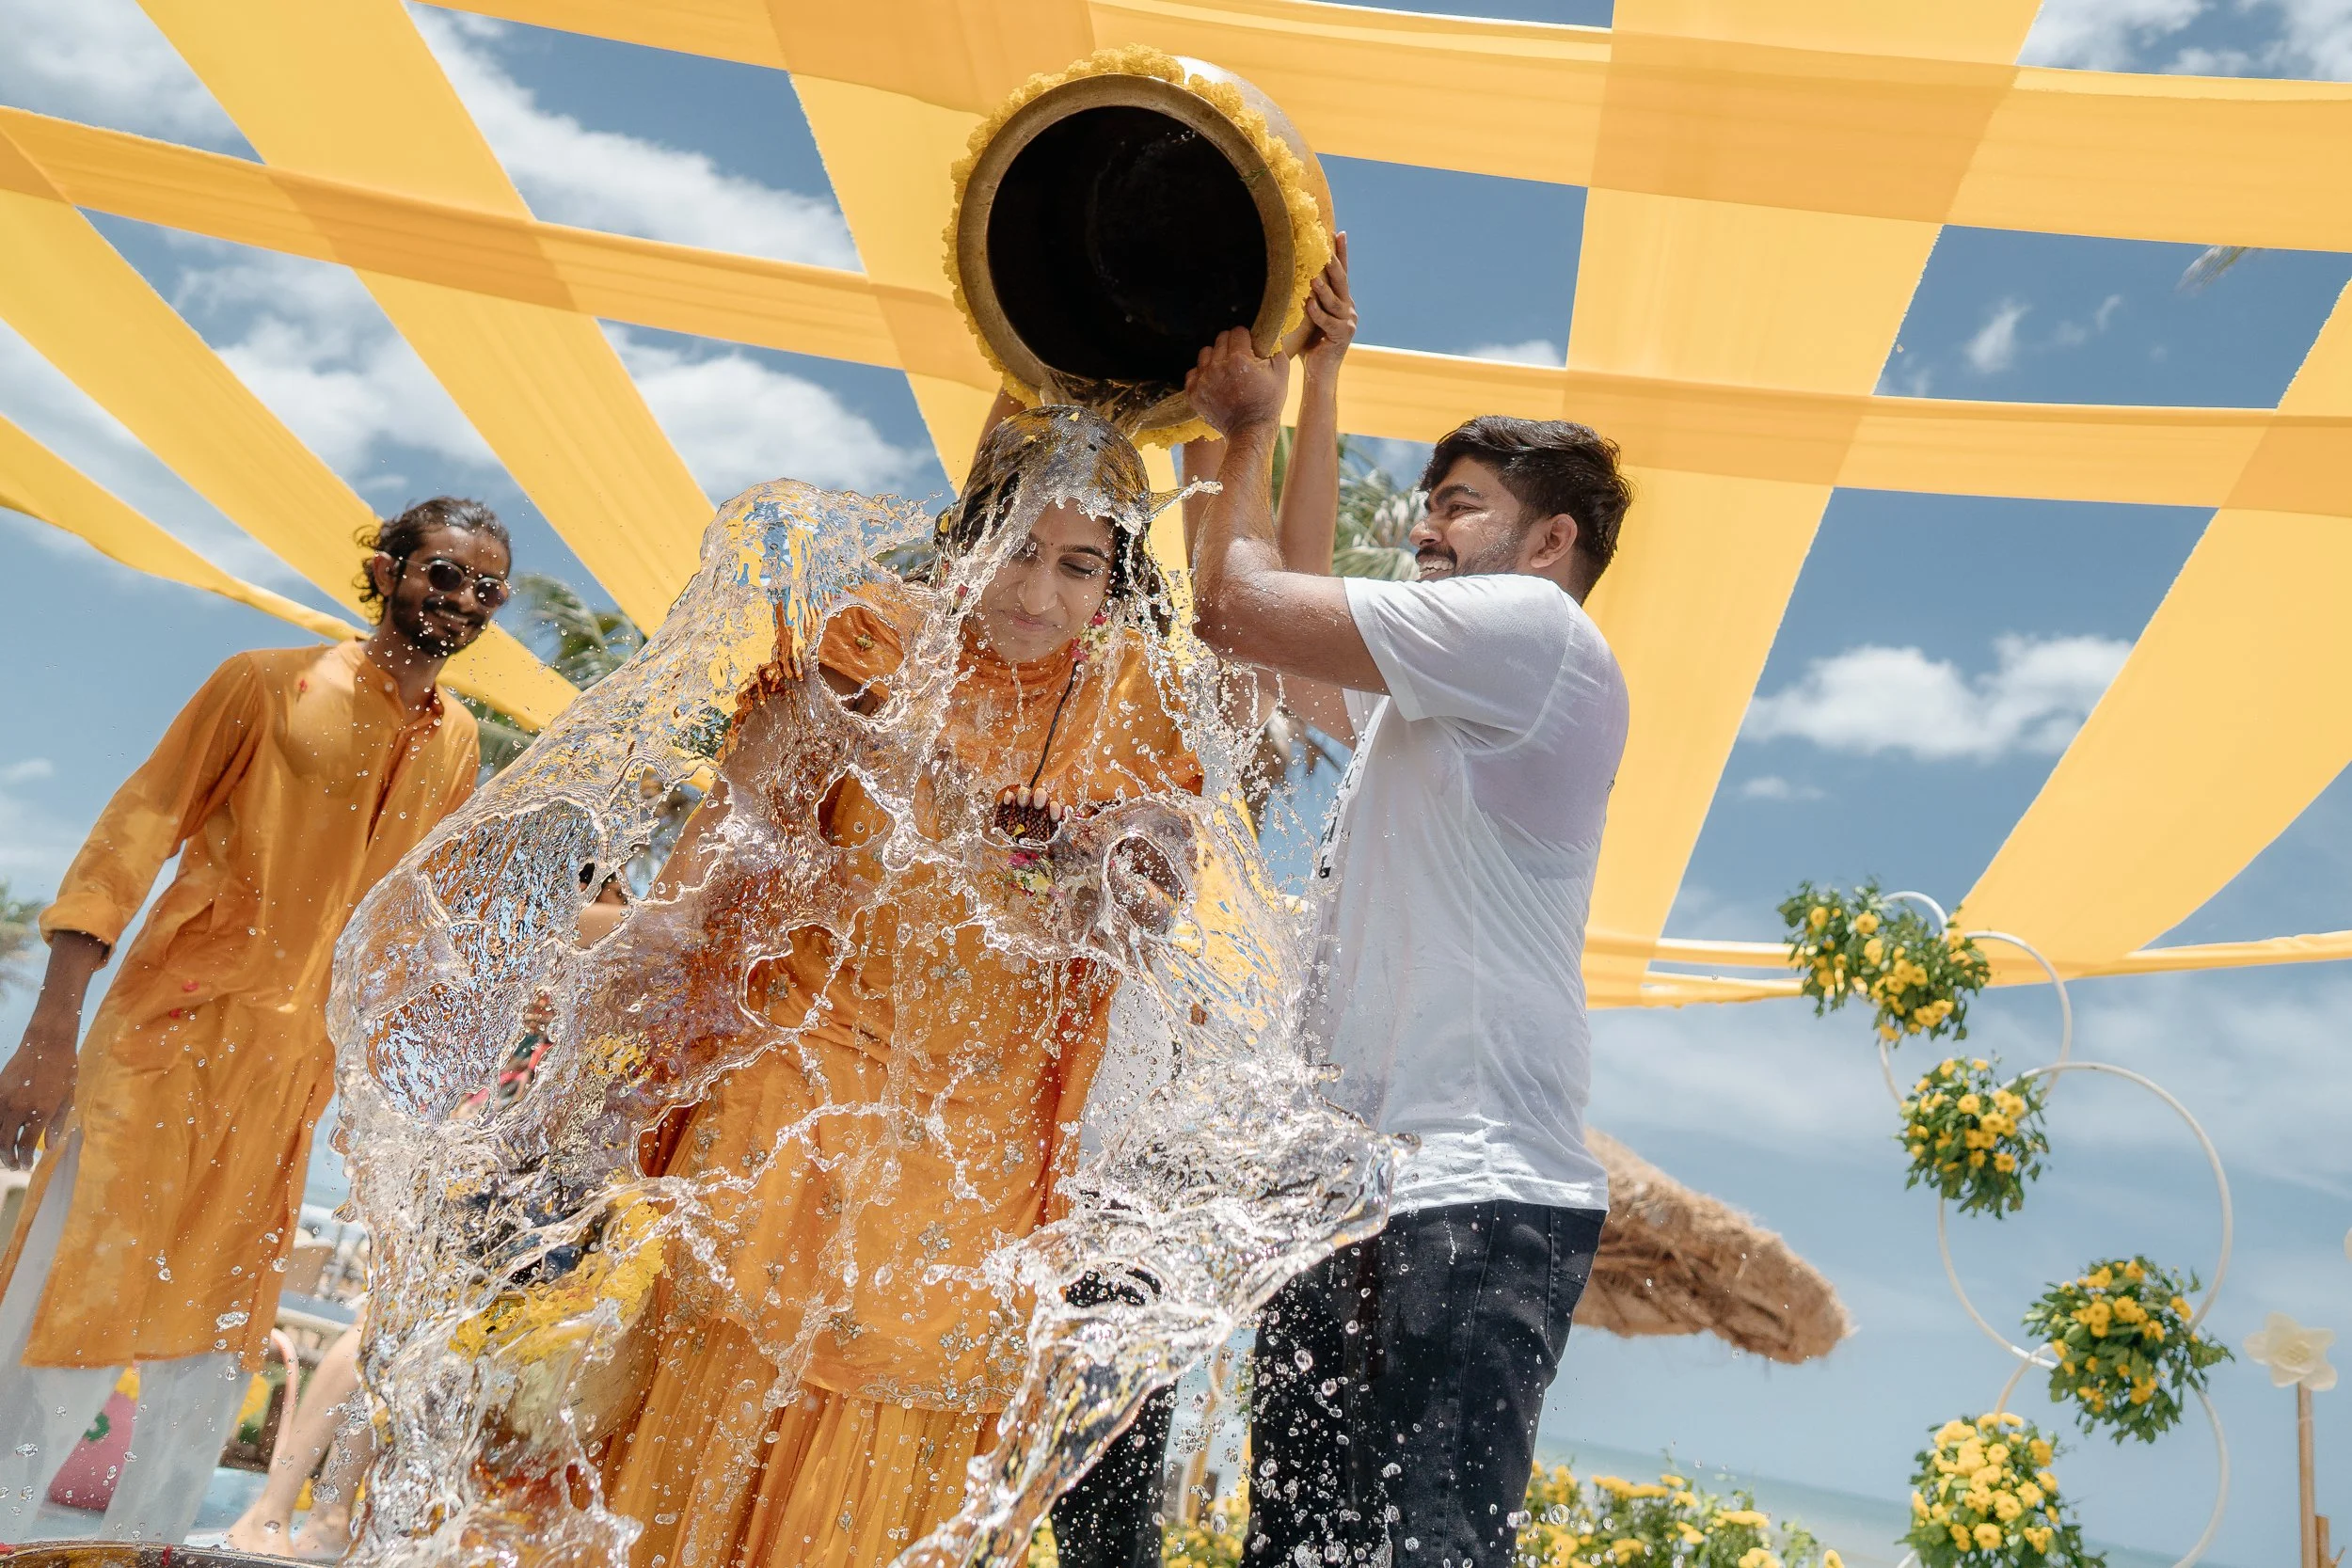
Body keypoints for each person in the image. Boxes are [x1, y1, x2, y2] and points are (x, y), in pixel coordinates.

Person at [600, 406, 1204, 1568]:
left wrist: (1086, 858)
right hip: (799, 1063)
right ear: (968, 538)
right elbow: (736, 823)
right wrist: (646, 977)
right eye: (1018, 549)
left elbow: (1145, 916)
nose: (1036, 592)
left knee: (898, 1408)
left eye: (1079, 565)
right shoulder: (879, 634)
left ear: (1115, 581)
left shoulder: (1137, 704)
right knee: (731, 1352)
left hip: (978, 1130)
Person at [1183, 322, 1634, 1568]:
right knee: (1297, 1553)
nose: (1424, 528)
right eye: (1426, 504)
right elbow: (1290, 600)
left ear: (1548, 542)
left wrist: (1250, 427)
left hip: (1473, 1198)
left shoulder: (1534, 637)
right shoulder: (1437, 700)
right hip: (1353, 1201)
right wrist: (1318, 382)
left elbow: (1234, 604)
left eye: (1459, 505)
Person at [0, 497, 512, 1544]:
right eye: (444, 573)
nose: (462, 599)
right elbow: (131, 835)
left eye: (486, 588)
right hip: (165, 1039)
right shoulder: (266, 682)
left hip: (290, 1077)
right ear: (387, 570)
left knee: (220, 1331)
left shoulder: (458, 743)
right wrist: (49, 1030)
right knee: (78, 1290)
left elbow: (413, 918)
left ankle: (139, 1545)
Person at [1042, 233, 1361, 1568]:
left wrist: (1299, 398)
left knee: (1104, 1488)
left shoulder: (1212, 731)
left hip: (1146, 1140)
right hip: (1035, 1114)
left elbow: (1279, 590)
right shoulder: (1062, 698)